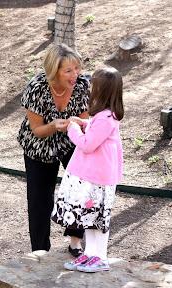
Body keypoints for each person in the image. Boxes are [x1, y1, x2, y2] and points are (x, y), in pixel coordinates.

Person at [17, 43, 90, 256]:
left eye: (77, 68)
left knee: (81, 187)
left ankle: (75, 241)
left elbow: (86, 124)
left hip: (71, 141)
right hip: (39, 144)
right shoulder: (36, 87)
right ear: (54, 71)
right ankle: (40, 250)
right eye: (68, 71)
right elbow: (37, 130)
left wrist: (79, 125)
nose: (75, 74)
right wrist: (53, 125)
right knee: (40, 199)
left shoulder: (82, 85)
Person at [52, 67, 124, 273]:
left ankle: (101, 257)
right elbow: (95, 129)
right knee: (89, 217)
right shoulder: (104, 115)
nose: (90, 88)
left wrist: (73, 129)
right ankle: (90, 253)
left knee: (98, 218)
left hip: (98, 179)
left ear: (100, 89)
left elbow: (88, 144)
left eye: (93, 85)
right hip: (91, 178)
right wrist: (83, 123)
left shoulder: (106, 117)